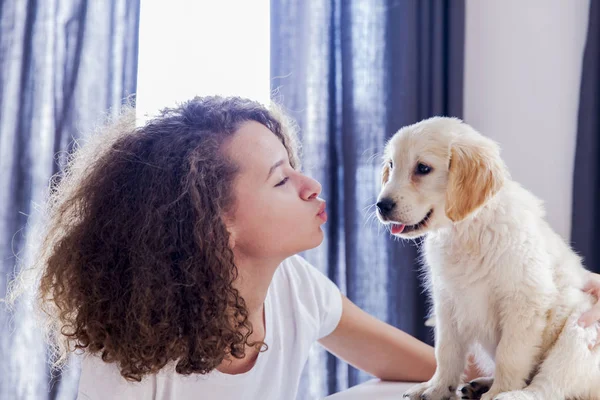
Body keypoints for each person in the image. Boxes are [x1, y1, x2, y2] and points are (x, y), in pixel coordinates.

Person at [9, 96, 600, 399]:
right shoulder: (129, 361)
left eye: (295, 166)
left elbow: (432, 371)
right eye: (279, 178)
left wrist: (570, 319)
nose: (310, 184)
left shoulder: (296, 291)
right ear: (213, 222)